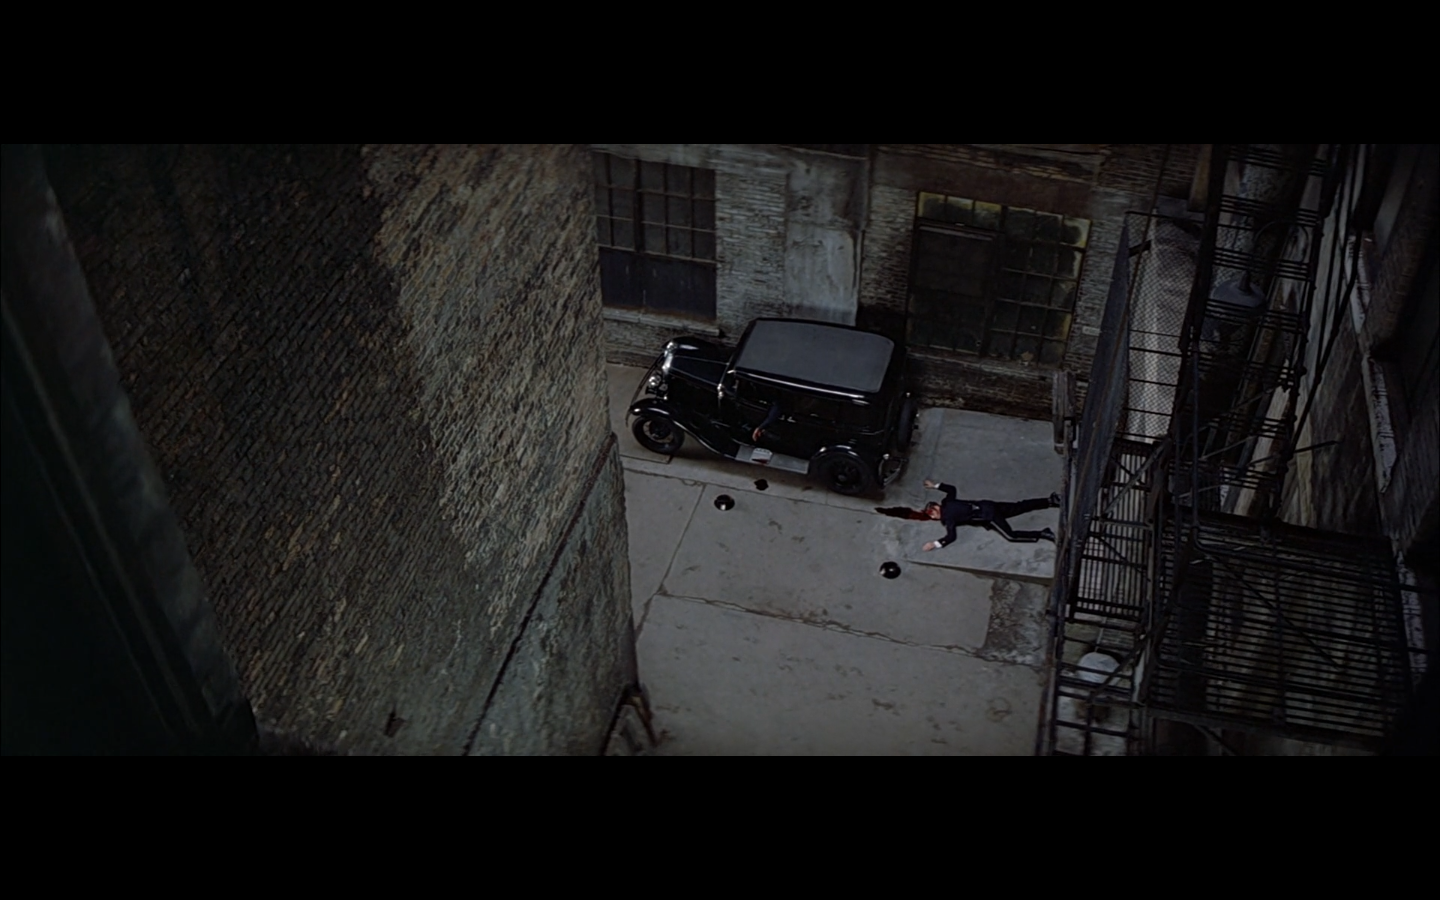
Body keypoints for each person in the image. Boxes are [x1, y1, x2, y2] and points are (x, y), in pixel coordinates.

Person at [919, 479, 1059, 550]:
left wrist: (934, 544)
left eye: (932, 513)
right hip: (988, 505)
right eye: (930, 516)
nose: (932, 517)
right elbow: (951, 489)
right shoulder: (948, 502)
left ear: (936, 508)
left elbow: (951, 537)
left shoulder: (948, 518)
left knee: (1011, 536)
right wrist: (935, 486)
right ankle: (1049, 501)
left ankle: (1043, 533)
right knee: (1019, 506)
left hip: (989, 516)